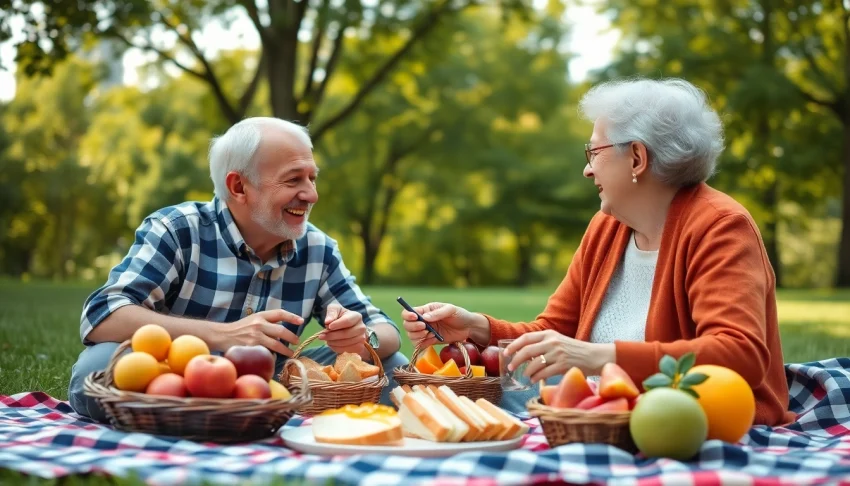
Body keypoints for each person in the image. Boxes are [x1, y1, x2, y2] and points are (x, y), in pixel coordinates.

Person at [401, 78, 795, 426]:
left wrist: (597, 356)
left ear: (637, 157)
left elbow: (738, 353)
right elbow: (556, 333)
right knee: (440, 403)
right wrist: (475, 327)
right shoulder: (606, 227)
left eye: (594, 153)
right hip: (606, 415)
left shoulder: (720, 226)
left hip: (700, 423)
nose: (587, 170)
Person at [68, 117, 407, 421]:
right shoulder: (177, 229)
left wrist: (362, 338)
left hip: (270, 384)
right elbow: (102, 315)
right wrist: (223, 335)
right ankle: (242, 416)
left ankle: (237, 417)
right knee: (95, 370)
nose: (311, 194)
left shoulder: (318, 249)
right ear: (239, 187)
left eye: (312, 178)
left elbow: (385, 330)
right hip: (177, 381)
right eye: (293, 180)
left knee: (394, 369)